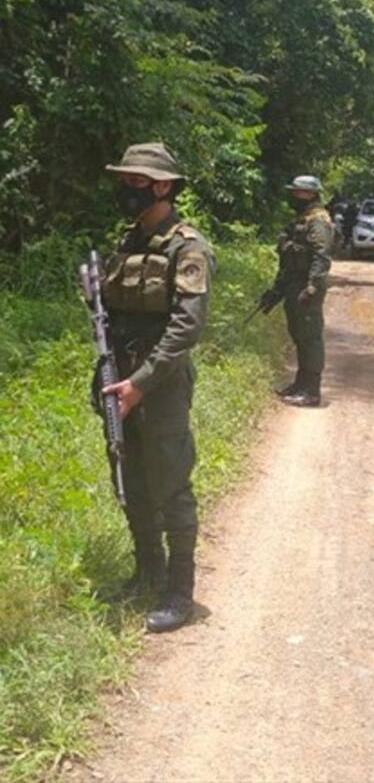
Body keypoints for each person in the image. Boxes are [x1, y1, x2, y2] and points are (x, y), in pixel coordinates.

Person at [101, 142, 215, 633]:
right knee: (130, 480)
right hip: (118, 379)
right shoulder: (127, 242)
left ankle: (179, 591)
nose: (126, 189)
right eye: (124, 180)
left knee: (170, 482)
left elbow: (186, 328)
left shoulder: (188, 247)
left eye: (136, 181)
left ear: (163, 186)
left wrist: (141, 383)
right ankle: (147, 570)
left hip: (160, 382)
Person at [260, 175, 334, 407]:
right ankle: (300, 384)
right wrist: (277, 290)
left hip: (307, 286)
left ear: (311, 194)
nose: (293, 196)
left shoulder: (318, 221)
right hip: (295, 284)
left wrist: (312, 286)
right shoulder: (302, 219)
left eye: (297, 192)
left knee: (310, 338)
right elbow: (290, 260)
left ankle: (311, 392)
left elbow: (321, 256)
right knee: (299, 335)